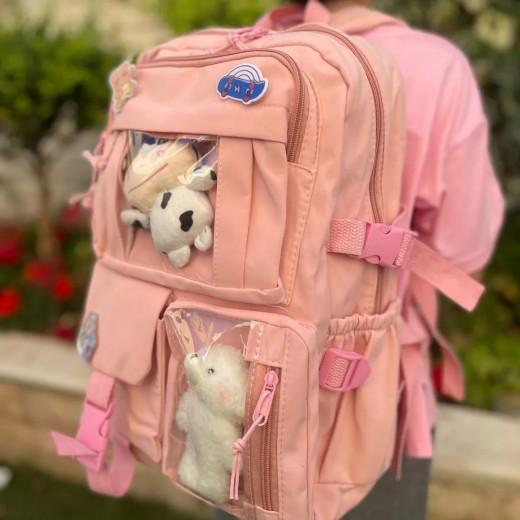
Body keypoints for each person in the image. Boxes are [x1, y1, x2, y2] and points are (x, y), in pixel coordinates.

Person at [214, 1, 504, 519]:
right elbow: (465, 258)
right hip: (363, 396)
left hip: (228, 376)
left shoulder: (233, 57)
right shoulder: (434, 66)